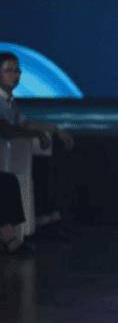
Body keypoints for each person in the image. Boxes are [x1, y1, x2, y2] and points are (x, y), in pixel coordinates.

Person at [0, 51, 75, 229]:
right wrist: (37, 134)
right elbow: (6, 129)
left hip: (11, 153)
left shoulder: (9, 101)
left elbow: (25, 123)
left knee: (47, 152)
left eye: (17, 70)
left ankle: (46, 210)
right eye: (9, 70)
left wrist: (55, 129)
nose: (15, 75)